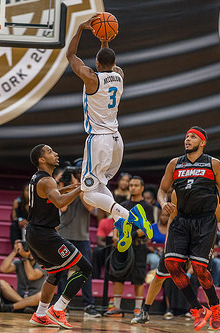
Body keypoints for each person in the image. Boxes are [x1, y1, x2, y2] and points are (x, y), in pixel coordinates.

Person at [66, 15, 152, 252]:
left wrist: (81, 29)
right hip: (116, 141)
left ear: (96, 62)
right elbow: (108, 62)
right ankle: (119, 223)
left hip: (99, 140)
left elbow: (71, 56)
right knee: (100, 185)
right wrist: (104, 40)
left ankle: (128, 216)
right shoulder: (120, 75)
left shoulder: (91, 78)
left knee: (88, 193)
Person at [157, 126, 220, 331]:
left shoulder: (214, 164)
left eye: (192, 137)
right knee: (172, 265)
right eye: (186, 137)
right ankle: (197, 309)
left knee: (200, 269)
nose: (187, 140)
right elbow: (162, 190)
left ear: (202, 142)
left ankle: (215, 306)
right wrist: (162, 202)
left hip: (205, 221)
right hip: (181, 220)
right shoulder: (174, 163)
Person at [131, 190, 220, 325]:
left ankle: (215, 312)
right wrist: (168, 242)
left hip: (200, 238)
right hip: (180, 236)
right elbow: (172, 218)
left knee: (203, 276)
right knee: (159, 276)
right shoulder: (177, 192)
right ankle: (144, 311)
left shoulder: (210, 194)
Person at [26, 144, 93, 329]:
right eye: (49, 152)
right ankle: (58, 309)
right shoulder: (48, 181)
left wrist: (73, 186)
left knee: (55, 273)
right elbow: (60, 201)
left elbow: (52, 195)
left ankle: (40, 314)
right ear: (41, 159)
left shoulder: (38, 178)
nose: (55, 153)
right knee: (85, 269)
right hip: (45, 235)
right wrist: (82, 189)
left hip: (34, 233)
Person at [105, 176, 154, 316]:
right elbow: (117, 221)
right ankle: (116, 307)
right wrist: (116, 236)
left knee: (138, 277)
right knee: (117, 275)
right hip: (122, 246)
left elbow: (147, 226)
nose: (132, 187)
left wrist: (130, 236)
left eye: (136, 185)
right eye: (131, 185)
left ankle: (138, 308)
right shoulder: (123, 204)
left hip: (139, 246)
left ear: (142, 188)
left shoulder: (146, 206)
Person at [57, 169, 100, 318]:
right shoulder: (65, 187)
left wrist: (79, 187)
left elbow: (90, 207)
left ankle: (89, 305)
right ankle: (61, 307)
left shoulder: (89, 188)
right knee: (61, 273)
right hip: (64, 235)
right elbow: (62, 207)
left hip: (82, 237)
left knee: (86, 271)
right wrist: (69, 186)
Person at [0, 240, 45, 313]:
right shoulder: (19, 263)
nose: (30, 252)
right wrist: (14, 251)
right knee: (1, 283)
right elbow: (3, 269)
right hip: (20, 297)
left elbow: (31, 276)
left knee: (41, 295)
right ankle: (24, 305)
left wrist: (25, 258)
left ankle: (12, 307)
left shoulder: (42, 264)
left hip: (35, 300)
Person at [10, 183, 29, 247]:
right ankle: (16, 248)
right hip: (20, 223)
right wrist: (20, 220)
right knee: (14, 225)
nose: (29, 193)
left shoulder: (36, 203)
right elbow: (14, 217)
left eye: (30, 191)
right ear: (23, 191)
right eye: (27, 190)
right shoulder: (17, 201)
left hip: (31, 224)